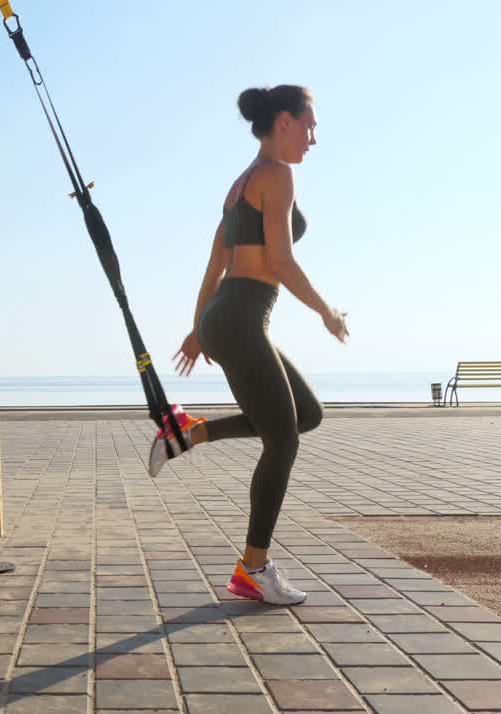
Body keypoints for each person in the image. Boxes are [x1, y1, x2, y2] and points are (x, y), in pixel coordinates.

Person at [146, 85, 349, 605]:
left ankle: (188, 432)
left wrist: (199, 327)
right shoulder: (278, 175)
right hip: (239, 317)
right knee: (282, 440)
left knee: (304, 414)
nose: (314, 138)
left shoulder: (240, 184)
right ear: (283, 121)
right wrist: (326, 311)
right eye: (309, 126)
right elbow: (278, 261)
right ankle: (253, 568)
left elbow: (216, 262)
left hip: (228, 315)